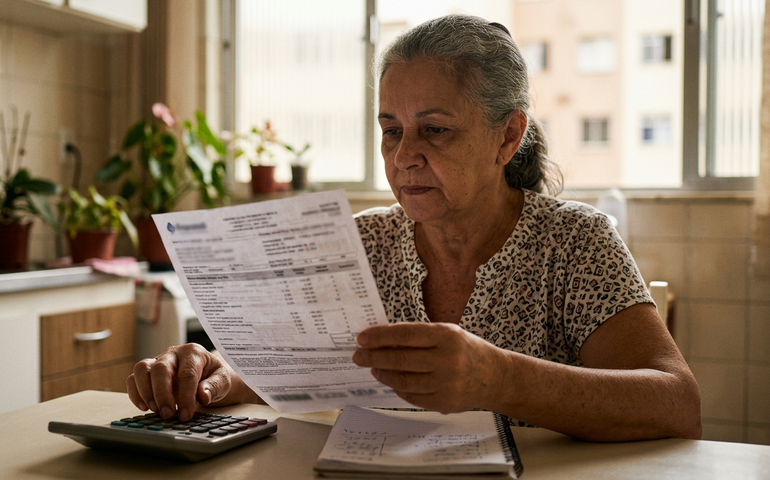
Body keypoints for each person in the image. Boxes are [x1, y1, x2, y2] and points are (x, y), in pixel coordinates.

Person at [128, 14, 702, 442]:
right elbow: (287, 368)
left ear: (507, 136)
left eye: (435, 130)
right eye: (390, 129)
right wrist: (210, 377)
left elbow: (676, 405)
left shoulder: (574, 241)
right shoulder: (362, 243)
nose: (403, 156)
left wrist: (497, 378)